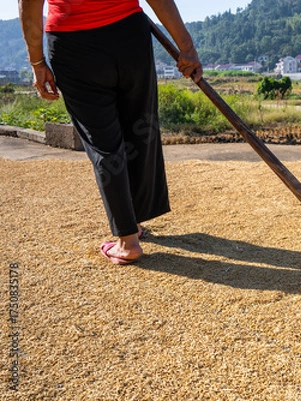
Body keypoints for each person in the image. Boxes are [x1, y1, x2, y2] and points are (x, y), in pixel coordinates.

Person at [19, 0, 203, 264]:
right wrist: (187, 48)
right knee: (138, 128)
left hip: (73, 45)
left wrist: (37, 62)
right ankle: (132, 223)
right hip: (128, 36)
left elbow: (29, 4)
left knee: (103, 143)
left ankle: (128, 240)